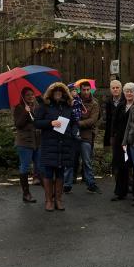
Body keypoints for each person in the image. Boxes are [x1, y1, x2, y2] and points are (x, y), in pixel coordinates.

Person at [34, 82, 78, 211]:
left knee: (60, 173)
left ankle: (58, 200)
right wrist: (50, 122)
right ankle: (49, 200)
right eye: (56, 91)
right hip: (49, 144)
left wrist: (74, 131)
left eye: (60, 91)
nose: (58, 93)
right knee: (48, 173)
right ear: (51, 93)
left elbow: (75, 122)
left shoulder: (68, 107)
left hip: (64, 144)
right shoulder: (44, 106)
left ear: (64, 93)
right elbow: (36, 123)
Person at [65, 81, 100, 194]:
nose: (85, 92)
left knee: (87, 161)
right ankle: (67, 184)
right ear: (80, 90)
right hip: (73, 136)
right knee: (70, 161)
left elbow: (92, 120)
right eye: (83, 90)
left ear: (90, 90)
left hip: (86, 136)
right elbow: (66, 114)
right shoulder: (73, 100)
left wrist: (78, 123)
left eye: (87, 89)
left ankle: (91, 184)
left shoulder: (94, 103)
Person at [110, 83, 134, 201]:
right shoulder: (120, 106)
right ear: (124, 93)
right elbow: (114, 123)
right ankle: (121, 192)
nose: (129, 93)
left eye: (131, 91)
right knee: (121, 166)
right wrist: (113, 136)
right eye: (127, 91)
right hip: (120, 140)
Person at [13, 87, 41, 203]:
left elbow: (39, 122)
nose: (30, 97)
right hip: (24, 142)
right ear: (23, 97)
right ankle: (26, 193)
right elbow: (18, 124)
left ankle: (50, 194)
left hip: (37, 142)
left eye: (32, 94)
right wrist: (25, 112)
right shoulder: (19, 108)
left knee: (40, 167)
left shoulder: (37, 107)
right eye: (28, 95)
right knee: (25, 167)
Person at [102, 79, 123, 149]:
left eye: (117, 87)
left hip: (123, 134)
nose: (115, 89)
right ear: (110, 90)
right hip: (111, 133)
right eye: (113, 88)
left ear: (121, 89)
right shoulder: (107, 102)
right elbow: (106, 120)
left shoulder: (126, 101)